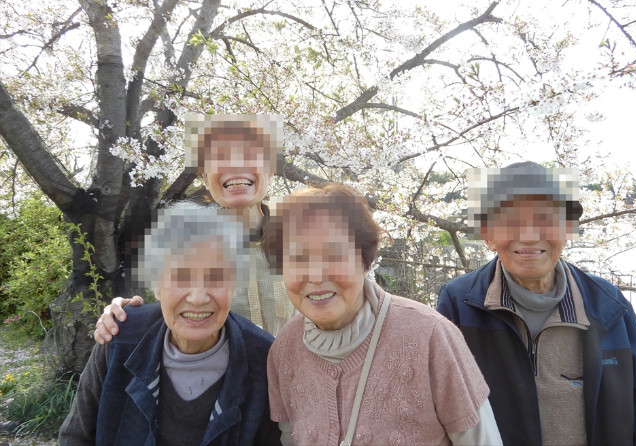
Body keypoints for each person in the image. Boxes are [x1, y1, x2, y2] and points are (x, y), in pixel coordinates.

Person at [436, 161, 636, 446]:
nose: (528, 234)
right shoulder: (460, 303)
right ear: (487, 235)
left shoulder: (607, 304)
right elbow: (441, 411)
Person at [262, 183, 502, 446]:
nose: (317, 276)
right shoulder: (284, 349)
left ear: (364, 259)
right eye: (297, 259)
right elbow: (289, 437)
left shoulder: (431, 337)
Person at [59, 206, 280, 445]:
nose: (198, 297)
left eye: (216, 276)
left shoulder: (264, 359)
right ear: (156, 285)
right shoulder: (120, 336)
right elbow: (76, 437)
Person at [95, 114, 294, 342]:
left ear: (270, 172)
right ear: (205, 179)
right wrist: (125, 315)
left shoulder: (305, 242)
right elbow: (173, 314)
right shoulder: (181, 248)